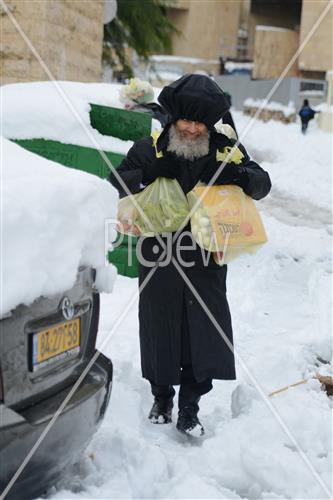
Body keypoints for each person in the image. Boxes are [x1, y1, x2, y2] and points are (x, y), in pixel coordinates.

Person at [109, 74, 271, 437]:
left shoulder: (224, 148)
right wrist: (148, 173)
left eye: (201, 122)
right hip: (160, 254)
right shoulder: (151, 147)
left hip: (205, 257)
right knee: (159, 326)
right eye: (187, 120)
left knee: (202, 330)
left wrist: (237, 174)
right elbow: (116, 180)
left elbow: (263, 184)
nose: (194, 128)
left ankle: (190, 407)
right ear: (174, 117)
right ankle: (162, 397)